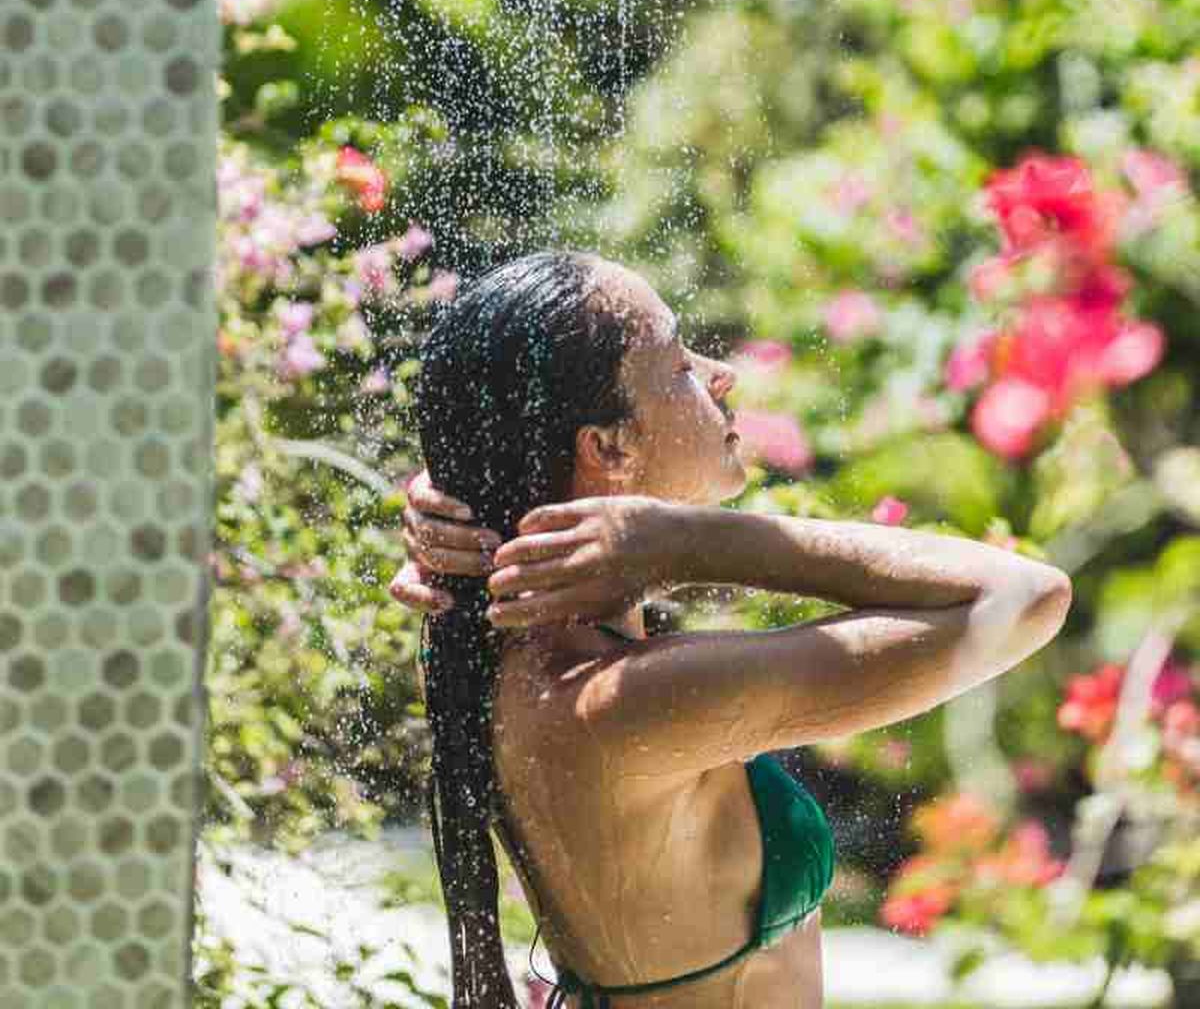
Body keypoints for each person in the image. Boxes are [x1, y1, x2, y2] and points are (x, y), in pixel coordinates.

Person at [388, 250, 1072, 1009]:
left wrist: (466, 506)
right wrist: (685, 541)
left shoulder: (489, 642)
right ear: (609, 448)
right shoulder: (623, 701)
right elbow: (1021, 597)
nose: (721, 374)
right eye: (680, 364)